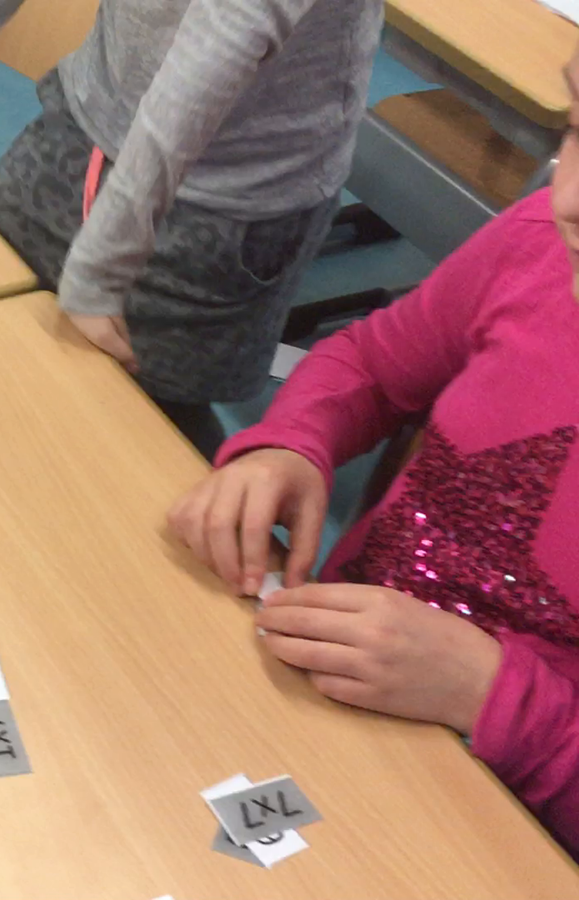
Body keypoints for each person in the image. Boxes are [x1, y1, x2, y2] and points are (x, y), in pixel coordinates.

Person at [167, 42, 579, 854]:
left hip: (495, 828)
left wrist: (492, 696)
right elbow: (374, 363)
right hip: (321, 694)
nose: (571, 198)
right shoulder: (539, 242)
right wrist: (292, 442)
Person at [0, 0, 382, 457]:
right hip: (84, 122)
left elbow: (221, 45)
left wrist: (101, 270)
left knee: (134, 423)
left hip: (221, 201)